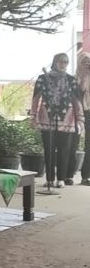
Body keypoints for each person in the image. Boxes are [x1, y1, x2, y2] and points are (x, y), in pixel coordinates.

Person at [31, 53, 84, 188]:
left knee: (64, 151)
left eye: (66, 62)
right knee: (48, 150)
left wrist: (80, 120)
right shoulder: (43, 78)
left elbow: (77, 101)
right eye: (60, 61)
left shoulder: (71, 80)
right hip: (47, 119)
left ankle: (61, 178)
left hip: (67, 120)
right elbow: (36, 98)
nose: (63, 64)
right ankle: (49, 179)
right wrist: (33, 116)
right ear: (54, 62)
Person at [76, 51, 90, 186]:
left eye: (88, 61)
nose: (86, 64)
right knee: (85, 143)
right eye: (84, 62)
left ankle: (86, 176)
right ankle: (84, 176)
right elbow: (80, 91)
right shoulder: (76, 76)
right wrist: (85, 76)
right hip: (81, 111)